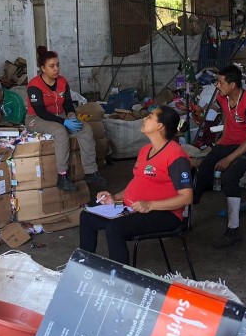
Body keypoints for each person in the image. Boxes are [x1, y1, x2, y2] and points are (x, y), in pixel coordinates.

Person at [79, 105, 192, 264]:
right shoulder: (145, 150)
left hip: (164, 214)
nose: (144, 119)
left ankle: (118, 277)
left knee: (114, 227)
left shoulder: (175, 155)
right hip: (130, 207)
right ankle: (83, 267)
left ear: (160, 125)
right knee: (87, 217)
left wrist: (151, 205)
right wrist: (114, 198)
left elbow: (186, 198)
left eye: (150, 116)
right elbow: (138, 181)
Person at [193, 65, 246, 247]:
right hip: (226, 143)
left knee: (229, 178)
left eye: (221, 82)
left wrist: (229, 159)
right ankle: (184, 214)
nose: (217, 85)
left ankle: (233, 230)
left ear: (232, 85)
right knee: (202, 171)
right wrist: (221, 143)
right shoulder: (222, 98)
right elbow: (227, 118)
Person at [25, 51, 107, 192]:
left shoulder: (62, 81)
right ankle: (62, 176)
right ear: (43, 68)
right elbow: (41, 112)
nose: (56, 69)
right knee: (60, 132)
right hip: (36, 118)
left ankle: (91, 172)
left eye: (58, 65)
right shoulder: (34, 85)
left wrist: (71, 116)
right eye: (52, 66)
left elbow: (68, 103)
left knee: (85, 128)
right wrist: (64, 123)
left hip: (59, 114)